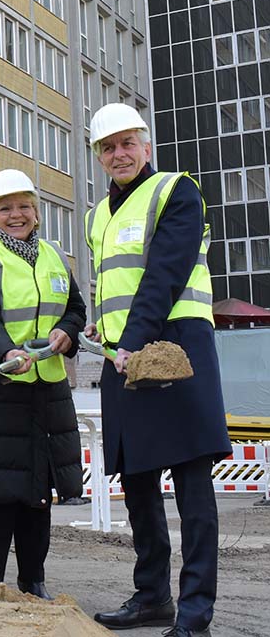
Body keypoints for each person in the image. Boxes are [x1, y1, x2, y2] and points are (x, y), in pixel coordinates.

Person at [85, 103, 231, 637]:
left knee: (192, 481)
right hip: (122, 355)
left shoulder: (176, 191)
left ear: (146, 146)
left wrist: (129, 339)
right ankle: (152, 598)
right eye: (108, 147)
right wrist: (108, 331)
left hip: (176, 348)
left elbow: (166, 273)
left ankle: (195, 615)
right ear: (99, 157)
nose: (119, 154)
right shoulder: (96, 215)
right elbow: (114, 286)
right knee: (138, 478)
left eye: (128, 143)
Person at [0, 169, 85, 600]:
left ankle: (33, 581)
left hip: (46, 387)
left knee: (37, 491)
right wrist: (7, 352)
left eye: (24, 206)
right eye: (5, 208)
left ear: (36, 212)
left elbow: (75, 308)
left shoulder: (55, 256)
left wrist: (68, 330)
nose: (16, 214)